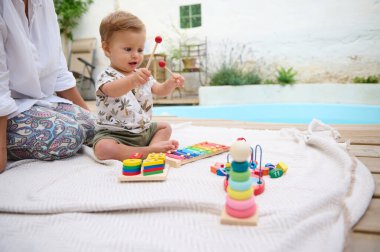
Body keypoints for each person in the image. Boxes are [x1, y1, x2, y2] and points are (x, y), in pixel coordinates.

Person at [0, 1, 95, 173]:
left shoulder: (44, 2)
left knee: (93, 128)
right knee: (69, 135)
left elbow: (58, 69)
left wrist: (90, 120)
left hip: (36, 102)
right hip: (7, 109)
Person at [93, 11, 185, 161]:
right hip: (116, 134)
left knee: (164, 127)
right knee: (103, 148)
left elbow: (160, 90)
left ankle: (151, 148)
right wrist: (132, 80)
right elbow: (112, 91)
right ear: (107, 48)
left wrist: (171, 83)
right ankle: (147, 151)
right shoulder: (106, 76)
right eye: (128, 49)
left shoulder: (141, 74)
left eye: (140, 50)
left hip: (143, 131)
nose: (136, 55)